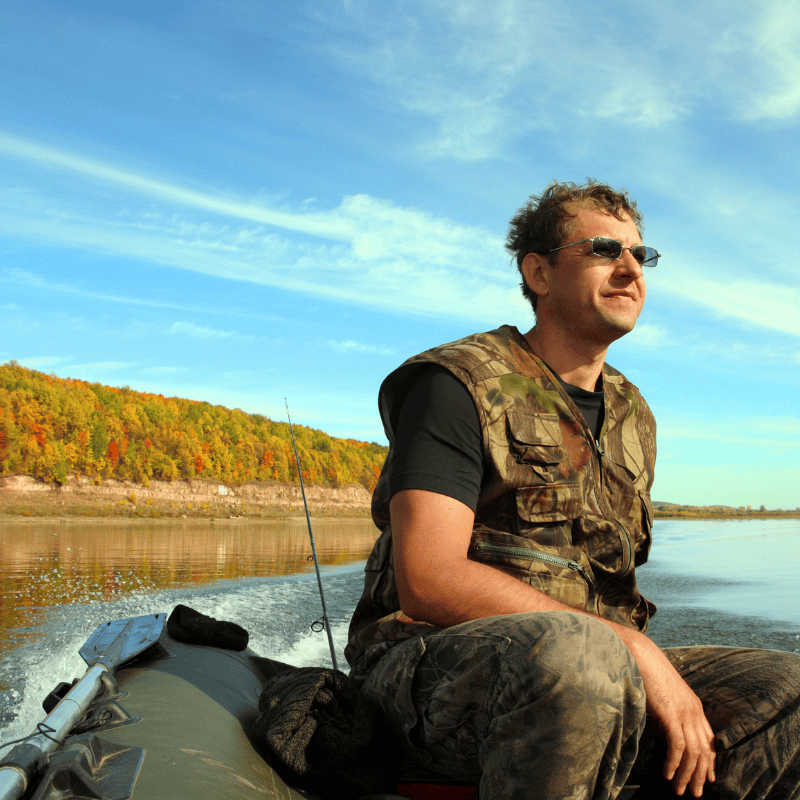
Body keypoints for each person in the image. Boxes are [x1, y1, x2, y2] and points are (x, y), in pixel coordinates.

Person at [345, 181, 800, 800]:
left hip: (597, 671)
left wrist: (628, 653)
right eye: (605, 249)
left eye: (642, 256)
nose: (630, 269)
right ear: (539, 271)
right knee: (579, 659)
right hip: (430, 668)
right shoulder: (458, 383)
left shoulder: (634, 415)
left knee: (790, 690)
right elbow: (428, 576)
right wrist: (629, 647)